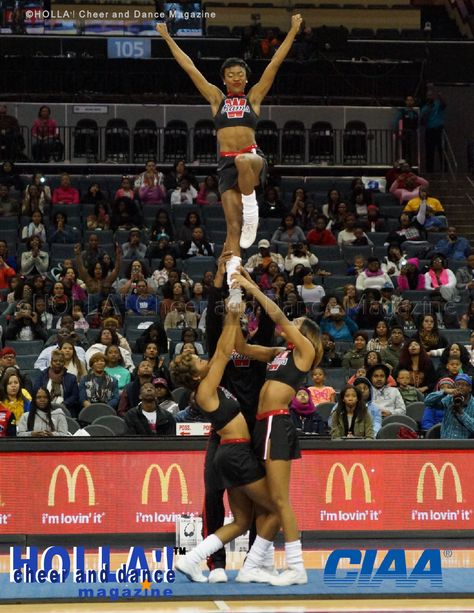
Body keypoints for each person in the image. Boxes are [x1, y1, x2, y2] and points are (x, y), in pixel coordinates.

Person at [157, 14, 303, 303]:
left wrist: (294, 30)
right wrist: (167, 37)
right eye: (231, 74)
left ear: (246, 78)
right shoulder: (216, 100)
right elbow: (190, 67)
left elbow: (275, 63)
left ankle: (252, 209)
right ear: (224, 80)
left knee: (243, 161)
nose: (236, 77)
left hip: (252, 159)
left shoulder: (254, 98)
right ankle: (233, 287)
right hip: (226, 165)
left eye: (240, 74)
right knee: (232, 231)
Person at [170, 305, 280, 584]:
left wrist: (233, 313)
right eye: (197, 360)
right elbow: (222, 350)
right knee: (276, 508)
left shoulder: (206, 384)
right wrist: (232, 312)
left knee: (242, 520)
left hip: (231, 454)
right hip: (236, 452)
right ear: (195, 375)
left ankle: (191, 559)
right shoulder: (205, 387)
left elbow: (222, 347)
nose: (202, 359)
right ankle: (258, 565)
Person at [231, 266, 323, 586]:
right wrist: (235, 304)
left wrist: (252, 288)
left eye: (298, 324)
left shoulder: (305, 353)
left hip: (277, 424)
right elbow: (241, 349)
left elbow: (280, 318)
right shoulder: (279, 353)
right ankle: (252, 565)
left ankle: (297, 566)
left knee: (280, 501)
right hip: (261, 425)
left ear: (306, 334)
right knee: (266, 504)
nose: (291, 325)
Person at [424, 374, 474, 438]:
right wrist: (444, 392)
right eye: (458, 384)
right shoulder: (449, 399)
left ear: (470, 388)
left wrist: (461, 413)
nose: (460, 387)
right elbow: (427, 402)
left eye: (464, 384)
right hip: (446, 442)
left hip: (464, 444)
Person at [34, 350, 80, 416]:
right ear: (51, 362)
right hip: (44, 407)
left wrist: (64, 404)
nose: (58, 363)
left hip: (65, 409)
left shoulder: (71, 378)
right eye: (55, 361)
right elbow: (36, 390)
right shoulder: (43, 375)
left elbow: (75, 396)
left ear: (64, 363)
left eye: (61, 361)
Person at [421, 89, 447, 173]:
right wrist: (428, 110)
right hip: (430, 130)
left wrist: (441, 96)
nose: (430, 97)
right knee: (429, 151)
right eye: (428, 96)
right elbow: (422, 120)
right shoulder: (424, 108)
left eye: (431, 95)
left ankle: (445, 169)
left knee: (442, 150)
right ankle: (429, 170)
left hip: (439, 129)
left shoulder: (438, 104)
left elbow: (444, 105)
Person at [393, 95, 419, 165]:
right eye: (408, 100)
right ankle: (403, 164)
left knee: (412, 150)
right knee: (404, 150)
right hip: (405, 133)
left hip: (413, 134)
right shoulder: (402, 112)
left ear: (413, 102)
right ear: (406, 102)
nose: (409, 102)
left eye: (411, 100)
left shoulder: (415, 113)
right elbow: (396, 121)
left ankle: (411, 164)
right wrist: (396, 131)